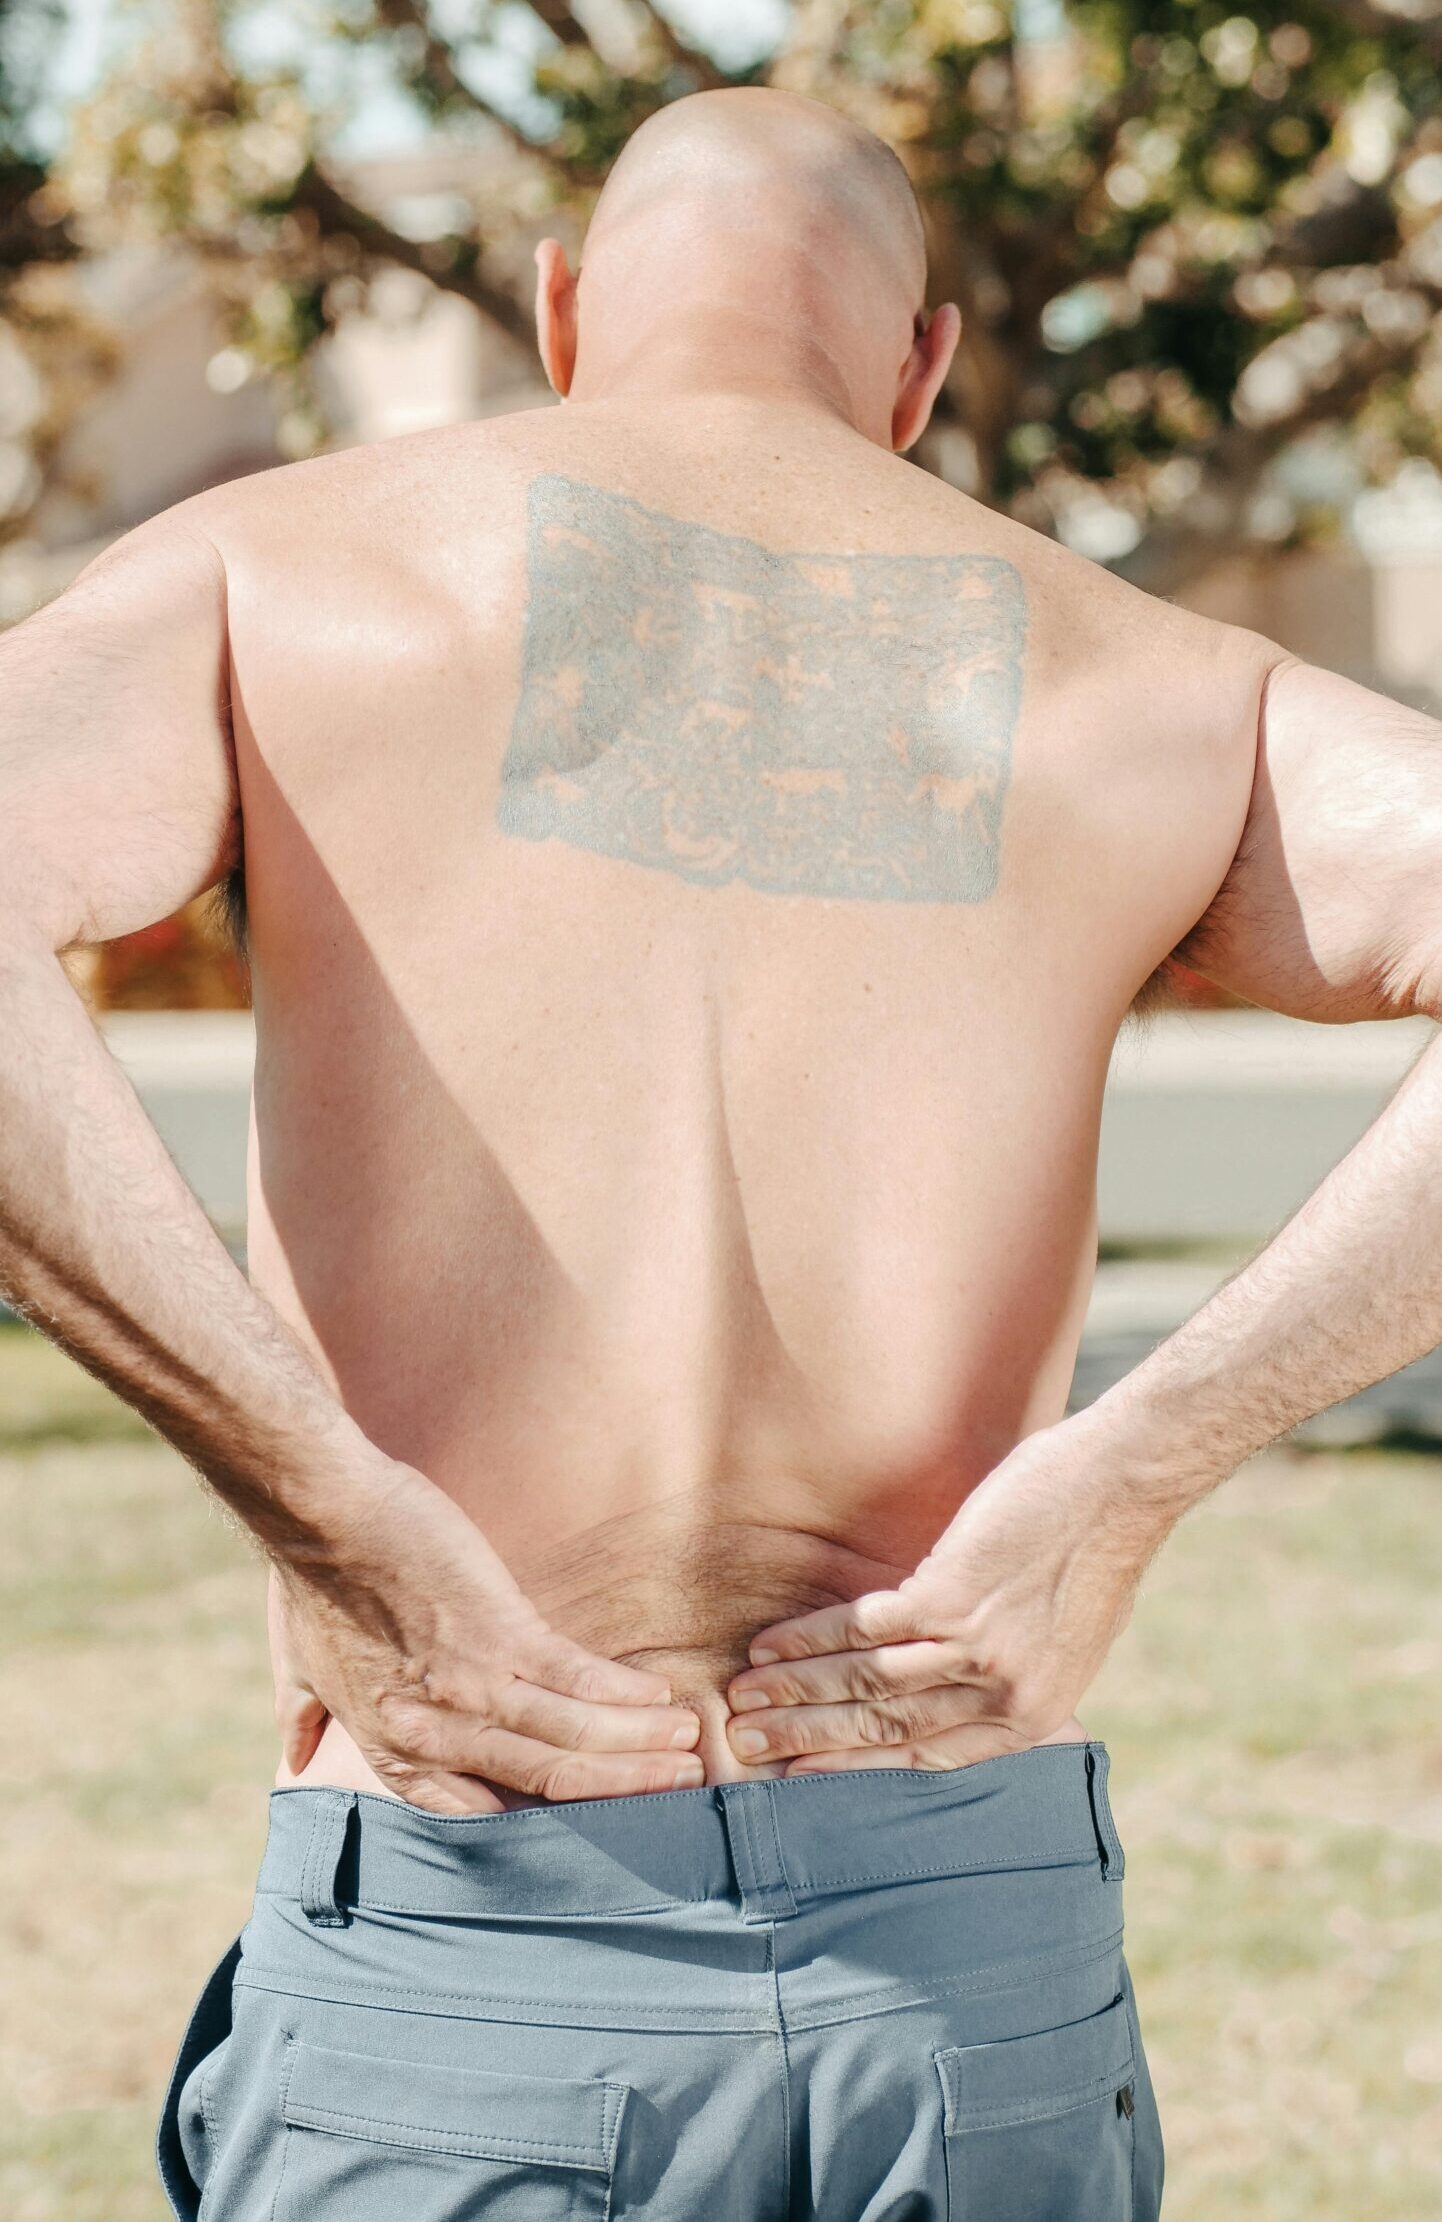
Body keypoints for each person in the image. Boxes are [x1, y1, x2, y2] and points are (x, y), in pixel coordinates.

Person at [1, 81, 1438, 2222]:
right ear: (923, 368)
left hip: (476, 1866)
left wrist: (338, 1515)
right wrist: (1129, 1469)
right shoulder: (1155, 684)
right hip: (967, 1947)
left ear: (564, 308)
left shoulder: (281, 579)